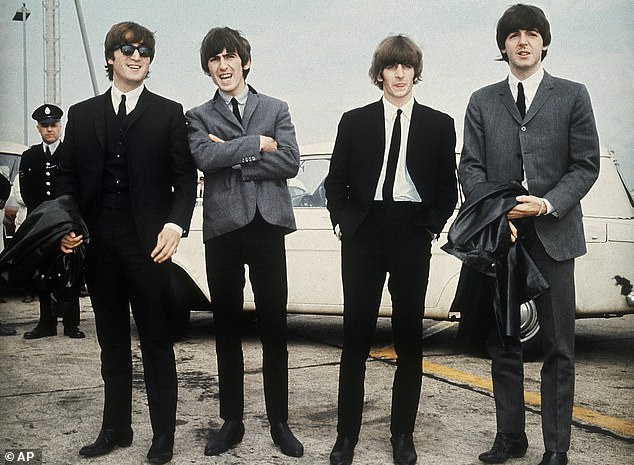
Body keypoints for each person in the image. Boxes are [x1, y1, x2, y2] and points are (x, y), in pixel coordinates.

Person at [459, 5, 600, 465]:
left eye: (532, 34)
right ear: (503, 46)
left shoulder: (573, 95)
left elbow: (586, 165)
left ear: (544, 42)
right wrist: (500, 215)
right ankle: (510, 438)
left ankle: (556, 448)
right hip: (504, 239)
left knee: (559, 345)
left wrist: (546, 203)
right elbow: (471, 167)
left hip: (555, 236)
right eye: (514, 35)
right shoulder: (482, 101)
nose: (523, 41)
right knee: (504, 341)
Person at [55, 21, 197, 464]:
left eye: (145, 52)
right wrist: (67, 226)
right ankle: (115, 429)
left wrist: (175, 226)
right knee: (111, 342)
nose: (137, 57)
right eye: (128, 49)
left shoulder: (169, 113)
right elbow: (65, 179)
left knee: (156, 340)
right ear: (111, 56)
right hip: (98, 245)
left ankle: (163, 437)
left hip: (149, 246)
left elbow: (184, 180)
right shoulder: (81, 114)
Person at [324, 35, 458, 465]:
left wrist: (429, 228)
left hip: (410, 231)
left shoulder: (439, 124)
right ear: (379, 72)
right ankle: (347, 437)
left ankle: (403, 435)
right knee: (355, 337)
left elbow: (446, 189)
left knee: (409, 339)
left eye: (406, 67)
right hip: (363, 231)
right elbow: (335, 181)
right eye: (391, 67)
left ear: (415, 72)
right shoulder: (354, 120)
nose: (399, 75)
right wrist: (346, 222)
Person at [186, 26, 303, 459]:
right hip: (223, 231)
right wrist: (255, 144)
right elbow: (204, 157)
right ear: (209, 68)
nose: (223, 66)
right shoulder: (197, 115)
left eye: (229, 57)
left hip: (268, 227)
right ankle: (231, 421)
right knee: (227, 330)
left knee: (275, 329)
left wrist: (234, 154)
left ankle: (279, 423)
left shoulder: (276, 107)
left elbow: (290, 161)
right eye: (214, 60)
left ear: (245, 62)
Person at [17, 104, 84, 340]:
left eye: (53, 125)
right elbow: (27, 193)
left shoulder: (71, 153)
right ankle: (46, 323)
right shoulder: (30, 156)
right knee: (43, 272)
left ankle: (71, 324)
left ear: (60, 126)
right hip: (41, 225)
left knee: (69, 270)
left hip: (66, 223)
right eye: (44, 126)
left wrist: (70, 222)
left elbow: (78, 190)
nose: (49, 130)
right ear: (38, 128)